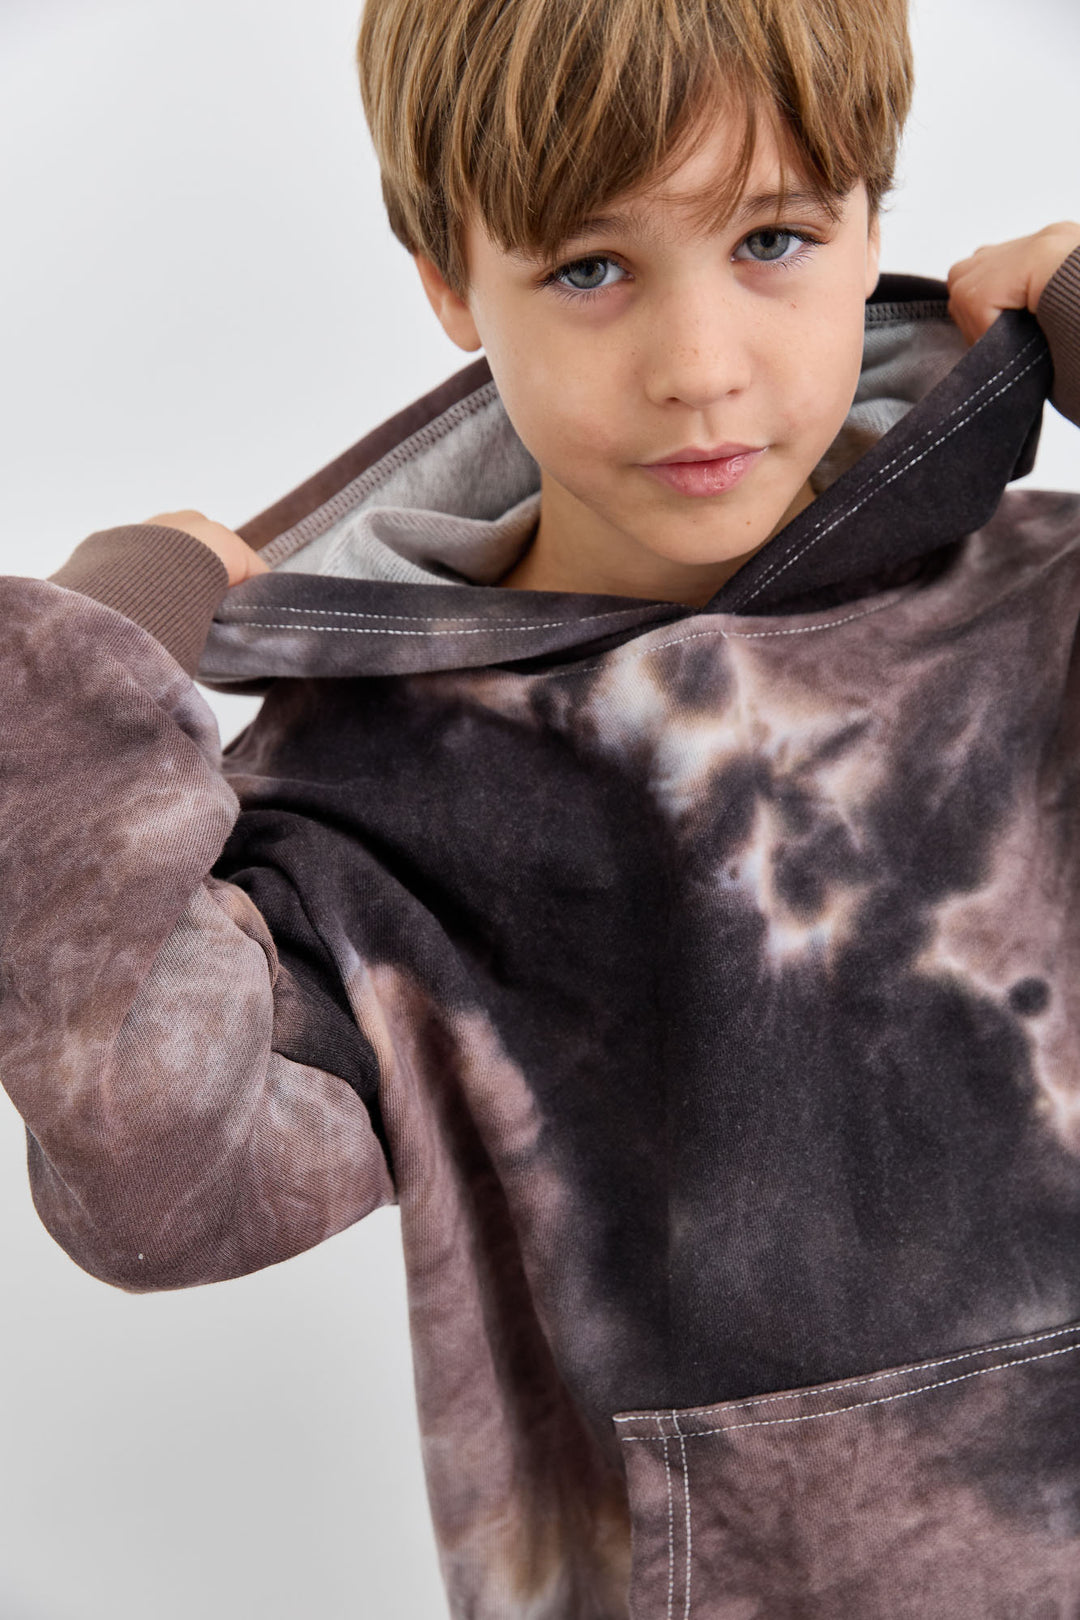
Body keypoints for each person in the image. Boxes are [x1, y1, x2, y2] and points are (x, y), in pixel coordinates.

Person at [3, 0, 1080, 1611]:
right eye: (590, 269)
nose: (699, 369)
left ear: (874, 226)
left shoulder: (1043, 612)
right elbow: (159, 1187)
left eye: (773, 240)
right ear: (450, 280)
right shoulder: (370, 791)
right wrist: (93, 669)